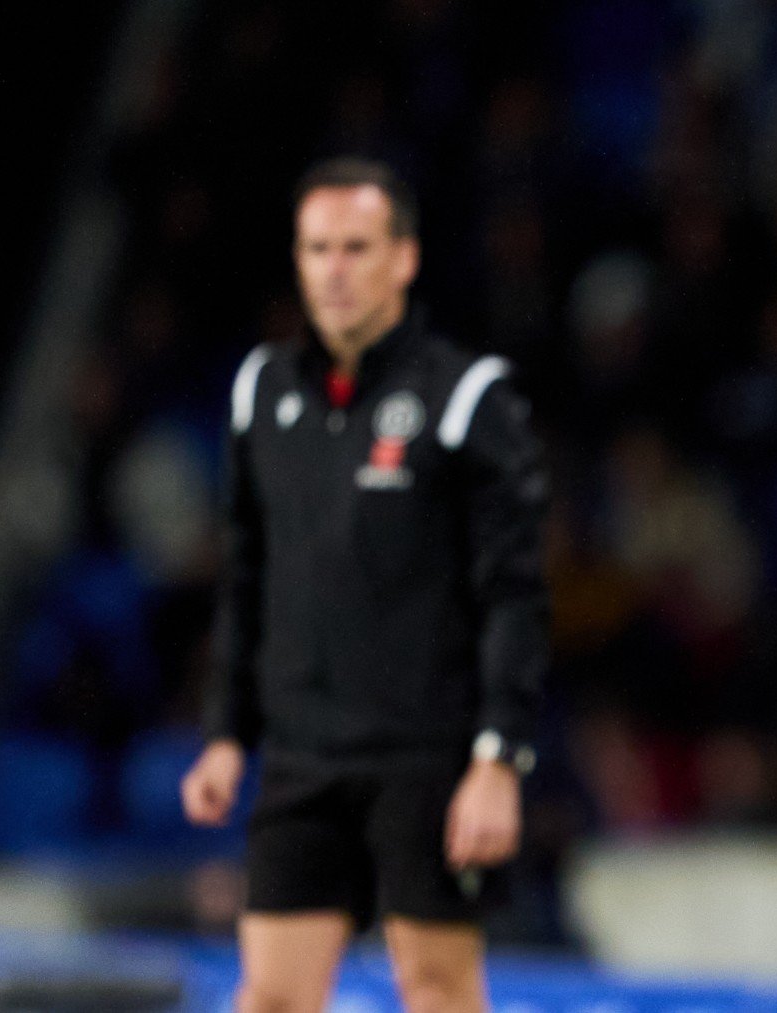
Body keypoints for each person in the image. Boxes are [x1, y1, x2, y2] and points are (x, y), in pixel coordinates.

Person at [179, 156, 548, 1012]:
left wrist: (498, 756)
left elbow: (514, 595)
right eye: (317, 249)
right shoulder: (259, 390)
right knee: (270, 996)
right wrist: (226, 731)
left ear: (404, 259)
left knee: (439, 988)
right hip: (301, 758)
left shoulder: (466, 398)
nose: (334, 270)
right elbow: (247, 572)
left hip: (425, 755)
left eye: (355, 247)